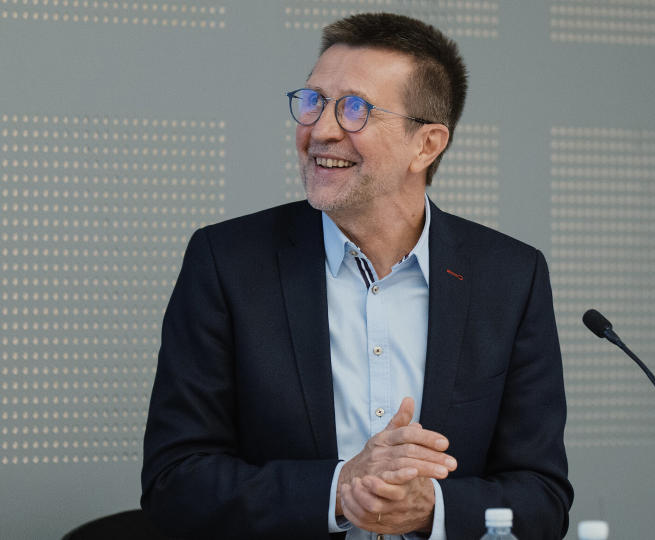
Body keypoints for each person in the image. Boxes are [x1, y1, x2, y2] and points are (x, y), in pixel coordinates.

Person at [141, 12, 573, 540]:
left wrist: (429, 508)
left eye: (354, 110)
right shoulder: (227, 262)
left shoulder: (510, 277)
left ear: (427, 144)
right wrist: (341, 489)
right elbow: (174, 485)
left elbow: (542, 497)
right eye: (313, 101)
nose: (320, 130)